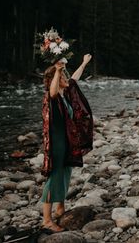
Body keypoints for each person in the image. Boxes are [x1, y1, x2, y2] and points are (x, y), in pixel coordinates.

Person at [41, 54, 93, 232]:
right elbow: (53, 90)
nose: (65, 78)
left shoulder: (65, 95)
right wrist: (57, 70)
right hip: (56, 143)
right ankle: (47, 220)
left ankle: (60, 208)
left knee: (65, 173)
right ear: (53, 79)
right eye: (62, 77)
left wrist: (84, 62)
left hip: (66, 142)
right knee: (54, 177)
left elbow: (74, 79)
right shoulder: (52, 97)